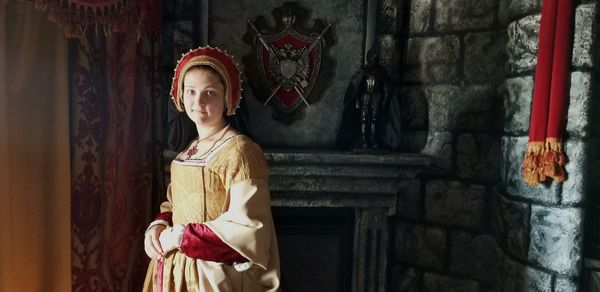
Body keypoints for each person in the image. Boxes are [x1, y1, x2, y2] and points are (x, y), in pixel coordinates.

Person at [143, 46, 280, 291]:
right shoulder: (188, 151)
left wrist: (179, 237)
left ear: (228, 98)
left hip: (213, 275)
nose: (198, 101)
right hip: (175, 270)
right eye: (191, 91)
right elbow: (174, 205)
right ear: (180, 96)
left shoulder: (240, 150)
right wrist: (158, 227)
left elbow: (248, 229)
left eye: (210, 93)